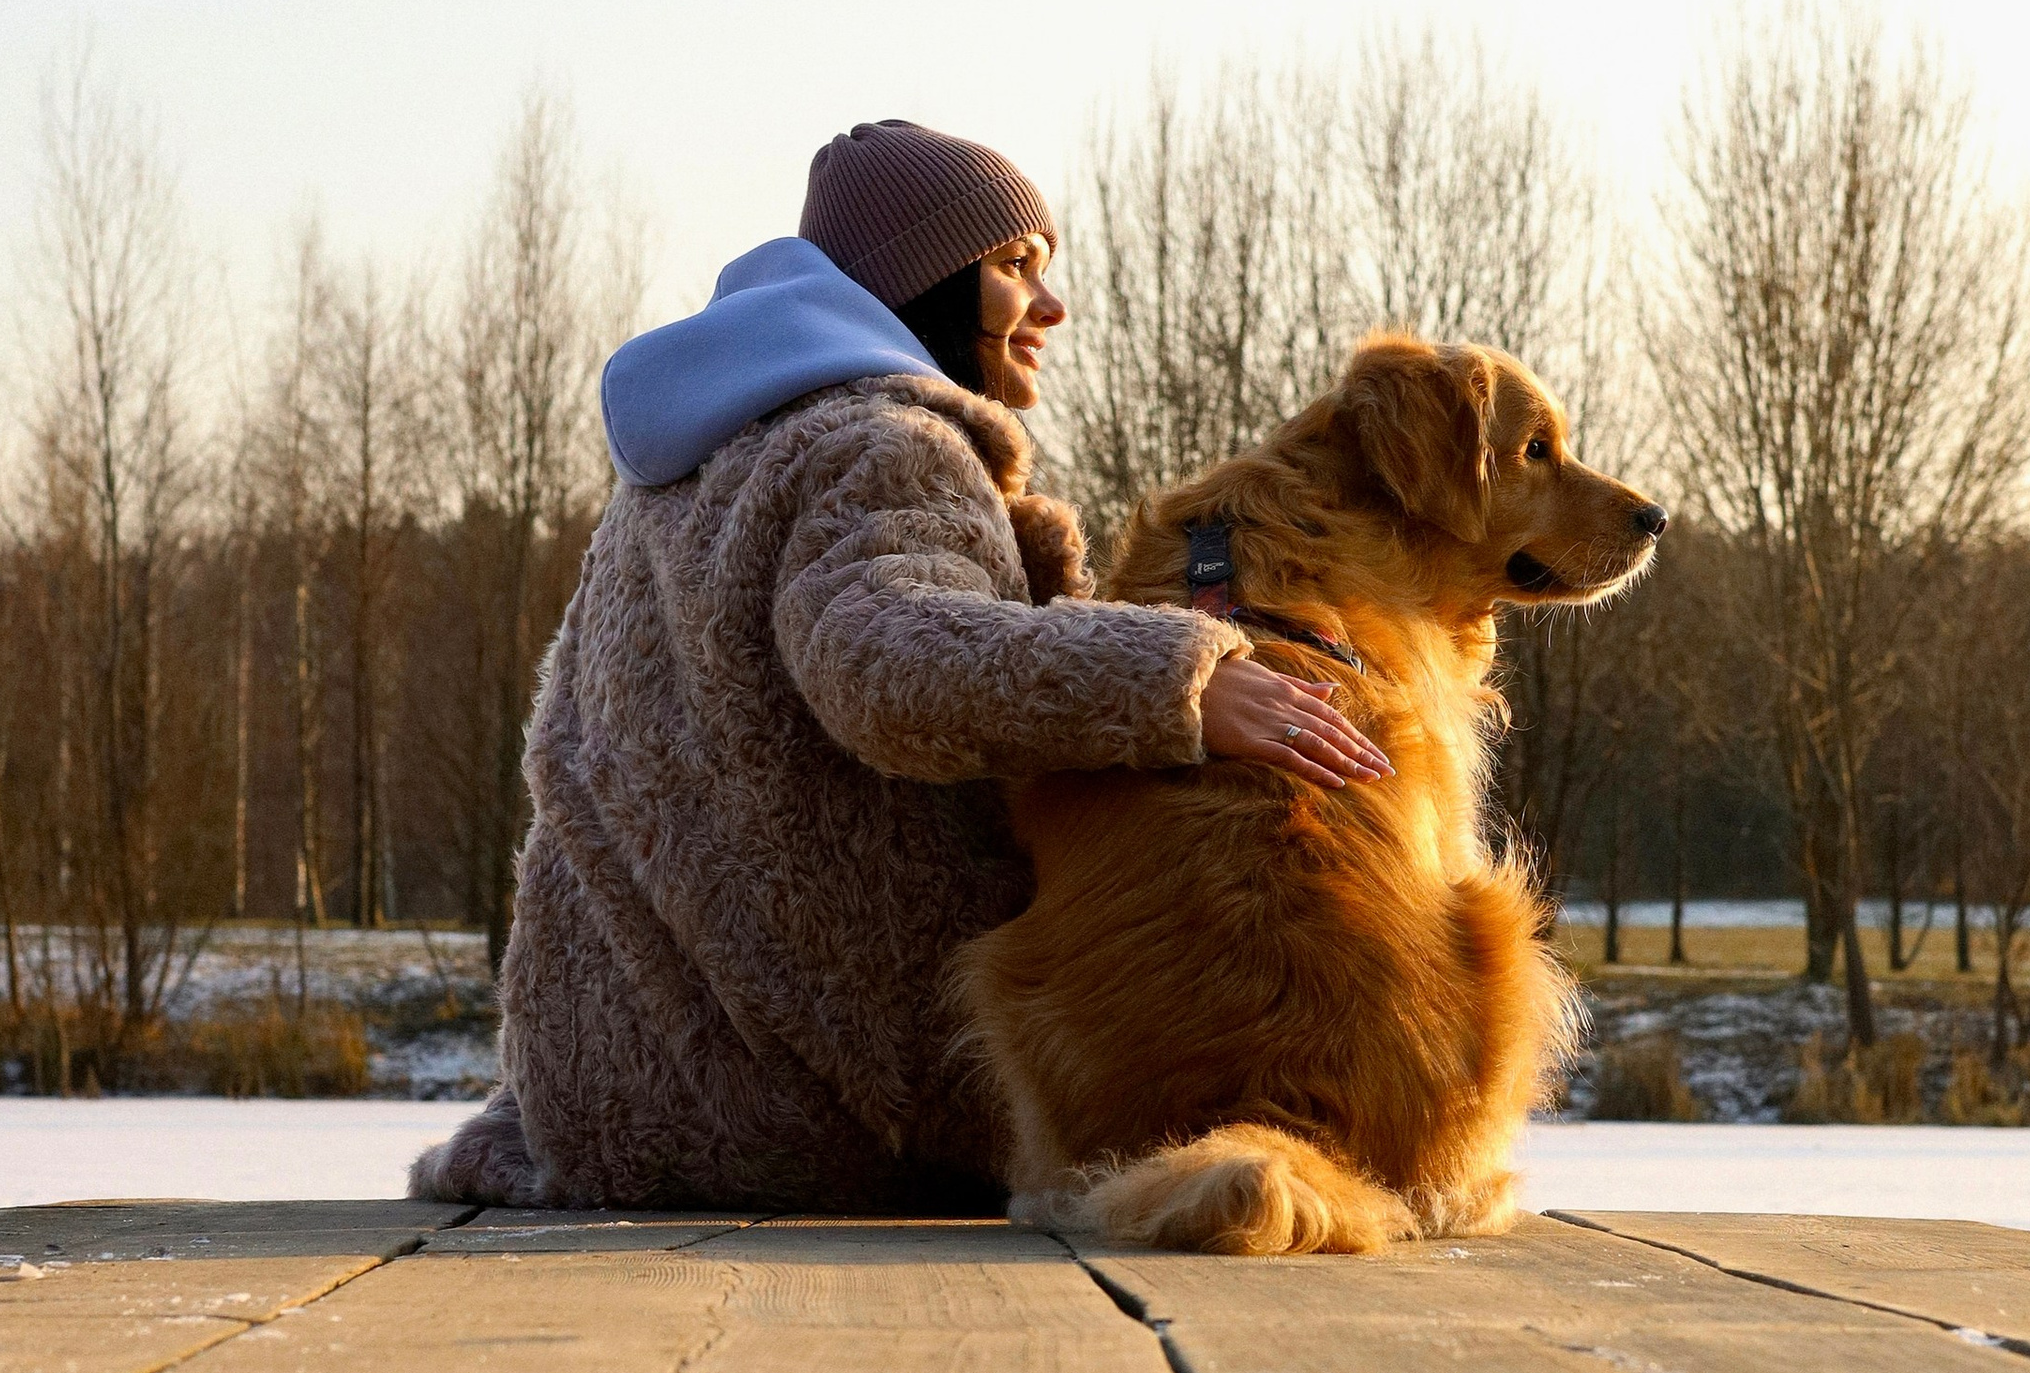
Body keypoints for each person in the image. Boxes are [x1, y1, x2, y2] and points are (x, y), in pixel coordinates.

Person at [413, 116, 1387, 1213]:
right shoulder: (883, 443)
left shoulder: (699, 466)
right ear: (926, 278)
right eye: (1016, 267)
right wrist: (1181, 680)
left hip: (628, 1095)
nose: (1051, 306)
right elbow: (890, 660)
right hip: (822, 1113)